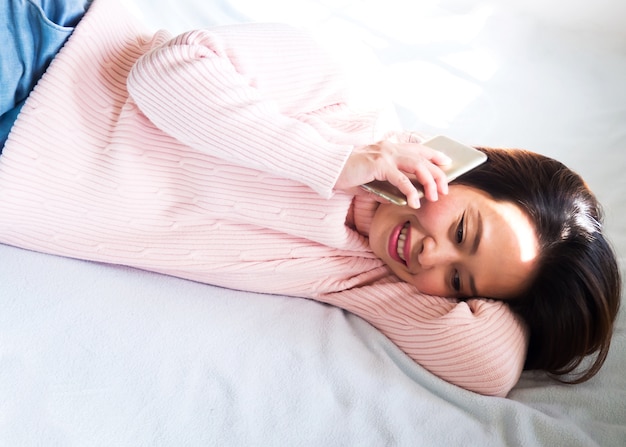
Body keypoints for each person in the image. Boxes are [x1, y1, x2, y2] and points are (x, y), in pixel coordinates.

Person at [0, 0, 620, 397]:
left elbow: (487, 366)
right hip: (41, 52)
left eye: (460, 284)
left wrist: (504, 288)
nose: (431, 259)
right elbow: (161, 73)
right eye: (463, 232)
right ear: (459, 163)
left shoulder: (352, 276)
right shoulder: (345, 91)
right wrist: (339, 164)